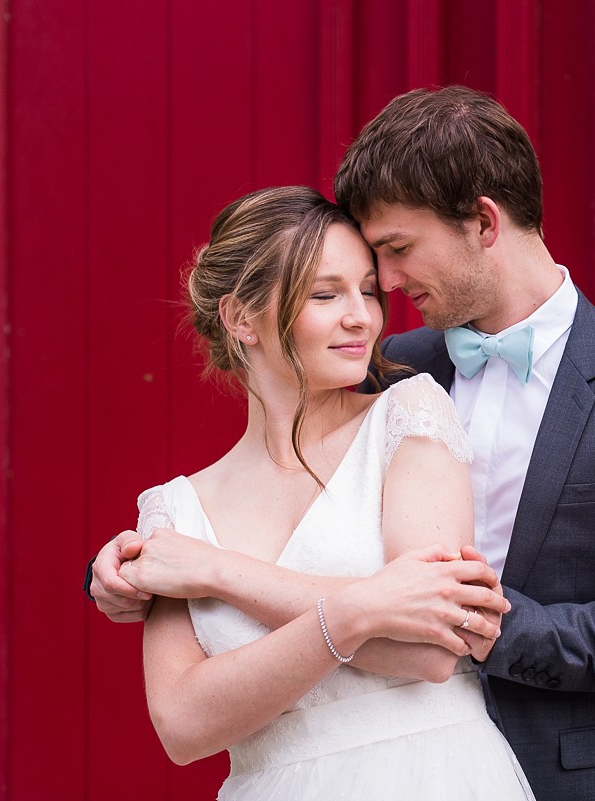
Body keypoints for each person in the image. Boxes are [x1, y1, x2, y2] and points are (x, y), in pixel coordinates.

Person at [90, 85, 595, 800]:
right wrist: (127, 568)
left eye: (396, 250)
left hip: (570, 771)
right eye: (351, 279)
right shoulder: (392, 368)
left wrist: (505, 631)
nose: (383, 288)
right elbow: (263, 503)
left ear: (482, 222)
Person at [111, 185, 535, 800]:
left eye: (367, 289)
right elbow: (183, 725)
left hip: (432, 776)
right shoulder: (173, 514)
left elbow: (432, 648)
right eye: (325, 294)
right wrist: (359, 611)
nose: (362, 316)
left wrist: (222, 572)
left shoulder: (408, 416)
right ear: (239, 317)